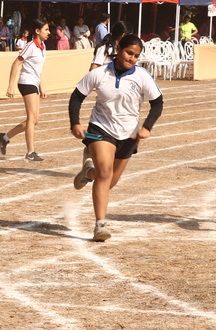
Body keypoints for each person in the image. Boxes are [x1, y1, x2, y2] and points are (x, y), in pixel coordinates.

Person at [69, 34, 163, 241]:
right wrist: (75, 123)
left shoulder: (142, 76)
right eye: (129, 53)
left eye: (136, 56)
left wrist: (147, 127)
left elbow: (158, 103)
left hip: (129, 135)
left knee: (109, 181)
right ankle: (100, 224)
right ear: (118, 49)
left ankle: (88, 172)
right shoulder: (99, 73)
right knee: (105, 172)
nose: (132, 58)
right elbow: (76, 97)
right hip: (100, 128)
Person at [0, 19, 50, 162]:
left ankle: (4, 137)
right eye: (46, 29)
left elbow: (37, 69)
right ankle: (30, 152)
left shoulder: (43, 46)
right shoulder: (30, 46)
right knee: (32, 118)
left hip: (34, 83)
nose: (49, 32)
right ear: (37, 31)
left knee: (34, 120)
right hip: (26, 82)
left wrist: (41, 86)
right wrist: (11, 85)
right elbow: (16, 63)